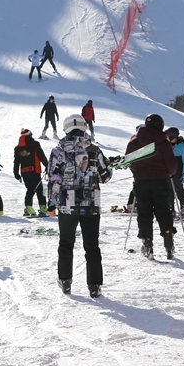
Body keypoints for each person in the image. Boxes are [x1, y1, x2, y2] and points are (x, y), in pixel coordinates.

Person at [47, 114, 112, 297]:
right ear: (84, 127)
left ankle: (65, 281)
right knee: (92, 245)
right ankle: (94, 285)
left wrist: (52, 204)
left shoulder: (58, 151)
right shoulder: (94, 150)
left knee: (66, 243)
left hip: (67, 205)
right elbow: (105, 177)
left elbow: (54, 179)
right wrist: (108, 168)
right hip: (91, 204)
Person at [126, 113, 178, 259]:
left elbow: (128, 161)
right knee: (163, 210)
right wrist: (169, 173)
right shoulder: (163, 143)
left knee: (144, 212)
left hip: (141, 182)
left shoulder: (134, 142)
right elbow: (172, 166)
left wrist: (138, 172)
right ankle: (168, 241)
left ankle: (147, 243)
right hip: (160, 180)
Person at [13, 128, 49, 216]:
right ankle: (43, 209)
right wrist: (48, 166)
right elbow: (41, 156)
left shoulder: (17, 148)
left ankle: (28, 208)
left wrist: (16, 173)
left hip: (24, 172)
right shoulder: (35, 144)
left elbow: (16, 161)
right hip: (35, 171)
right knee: (39, 190)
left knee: (30, 190)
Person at [165, 127, 184, 219]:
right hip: (167, 171)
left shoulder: (181, 145)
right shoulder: (166, 144)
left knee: (179, 190)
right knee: (168, 191)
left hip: (178, 171)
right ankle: (170, 209)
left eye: (169, 137)